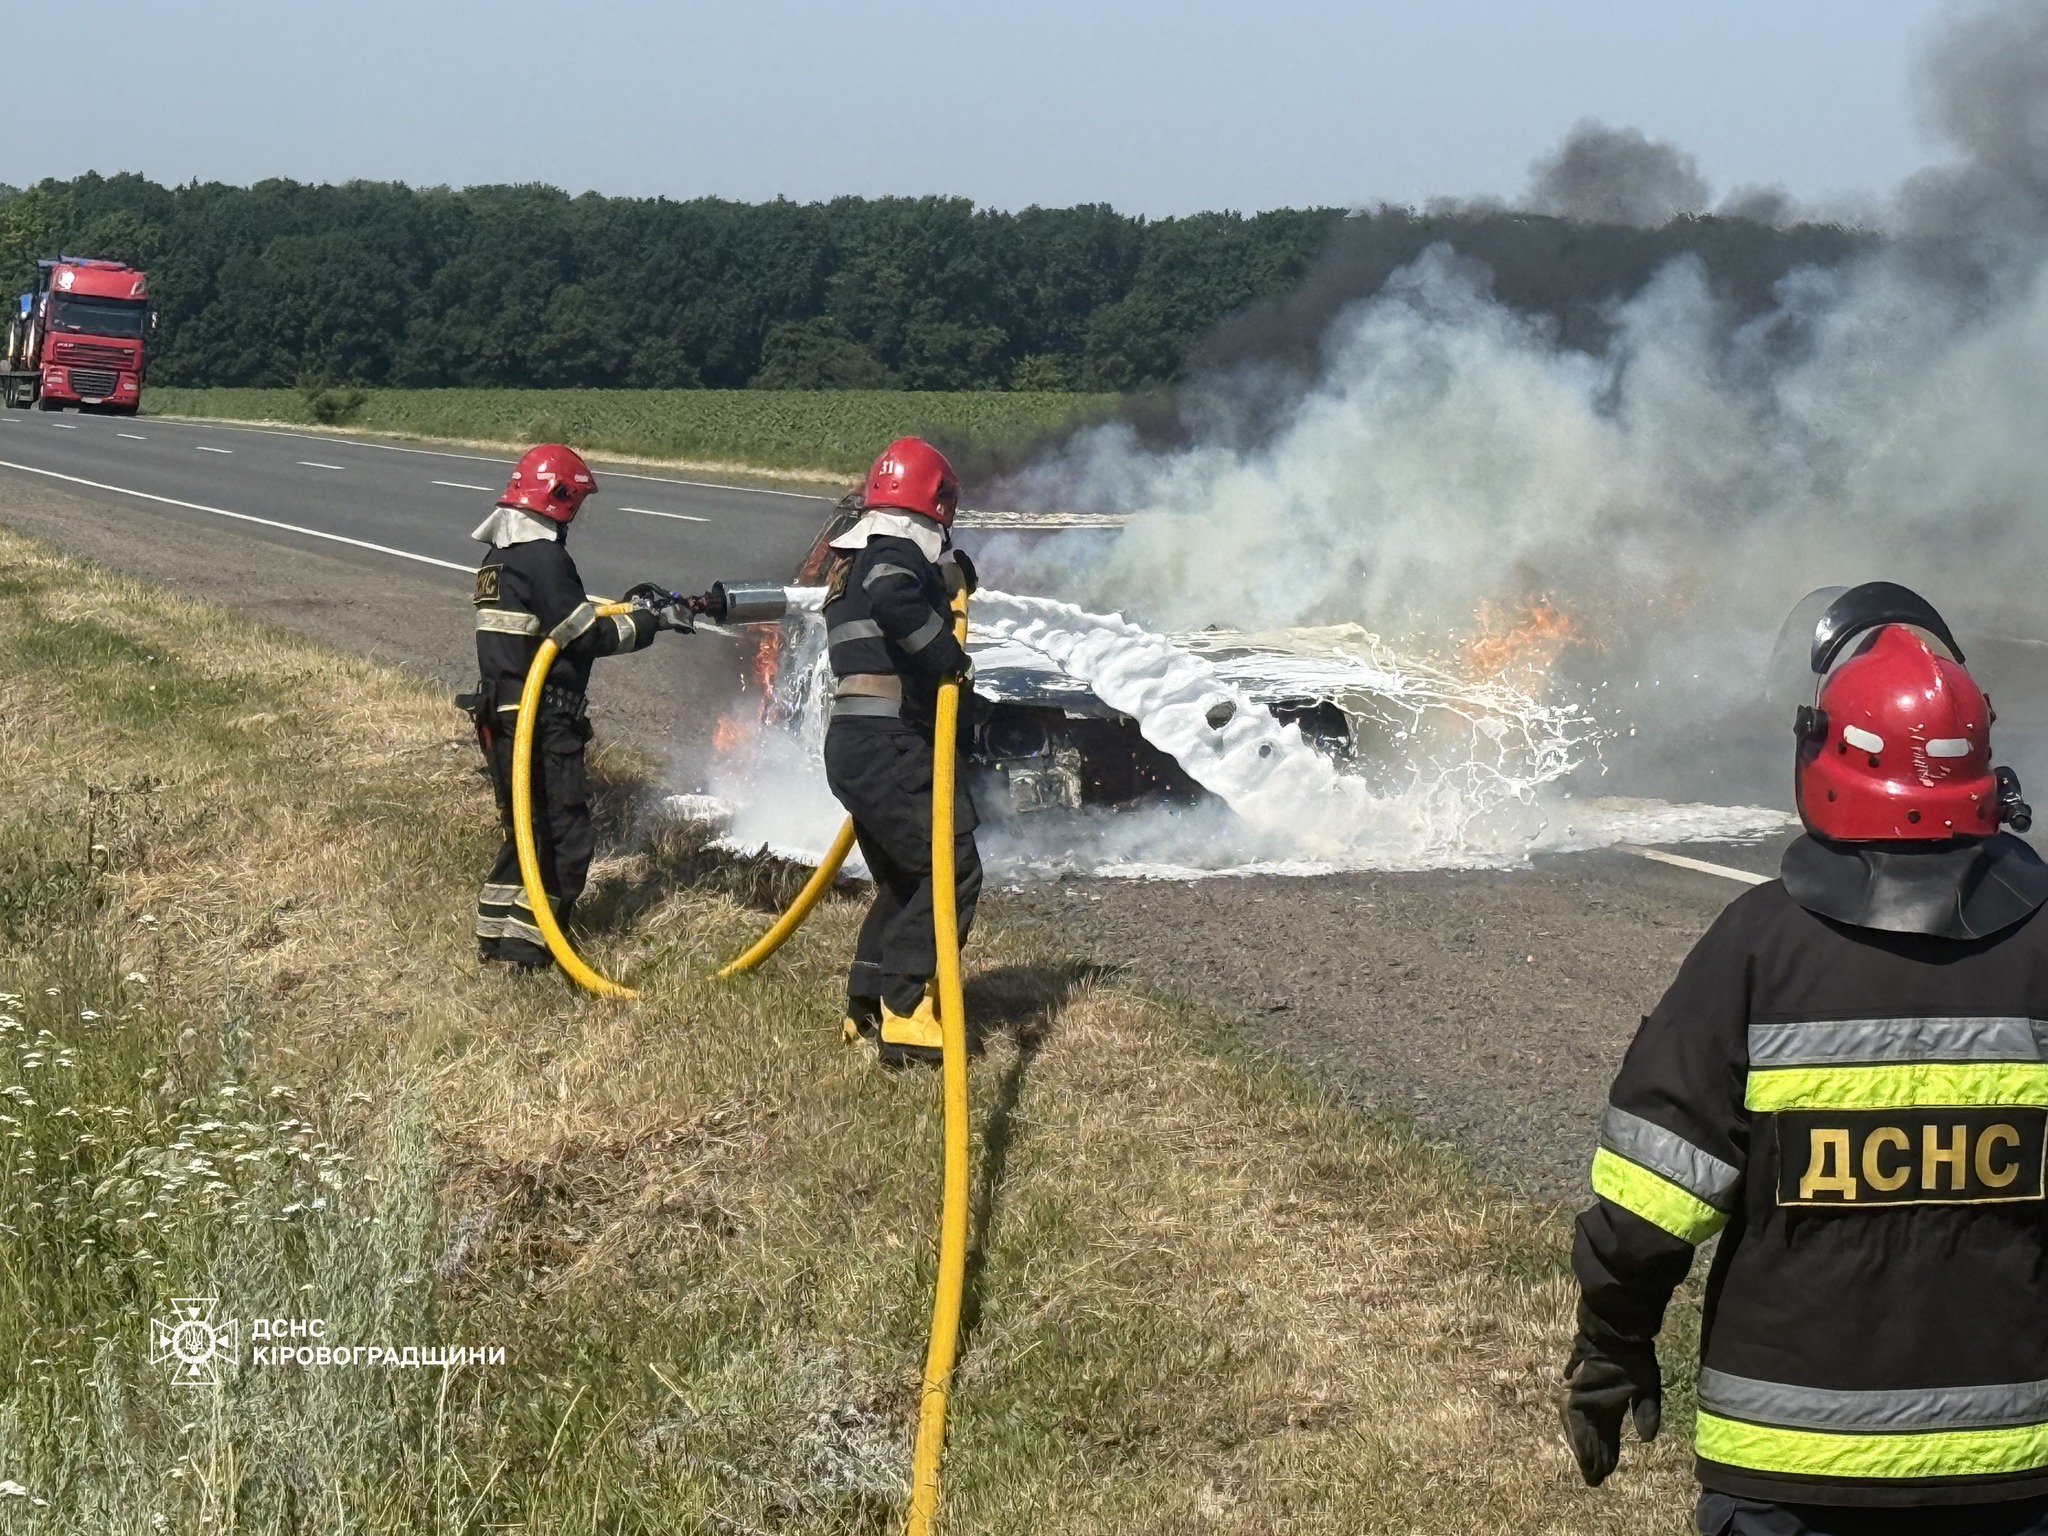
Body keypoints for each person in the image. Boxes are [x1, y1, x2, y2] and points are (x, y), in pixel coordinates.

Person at [1564, 581, 2048, 1536]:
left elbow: (1651, 1199)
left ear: (1829, 756)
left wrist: (1612, 1343)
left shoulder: (1757, 948)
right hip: (2016, 1467)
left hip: (1788, 1470)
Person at [464, 443, 690, 969]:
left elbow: (552, 621)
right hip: (541, 720)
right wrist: (650, 621)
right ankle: (531, 949)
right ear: (559, 496)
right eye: (576, 504)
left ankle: (496, 935)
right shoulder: (544, 557)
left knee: (527, 830)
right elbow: (584, 635)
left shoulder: (500, 557)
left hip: (502, 716)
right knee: (566, 836)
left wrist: (625, 609)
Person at [820, 436, 980, 1065]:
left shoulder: (854, 560)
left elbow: (888, 595)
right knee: (949, 870)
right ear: (937, 502)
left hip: (857, 743)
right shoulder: (894, 553)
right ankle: (908, 1014)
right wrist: (948, 657)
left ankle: (866, 1001)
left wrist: (945, 580)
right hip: (894, 742)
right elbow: (894, 595)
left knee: (902, 877)